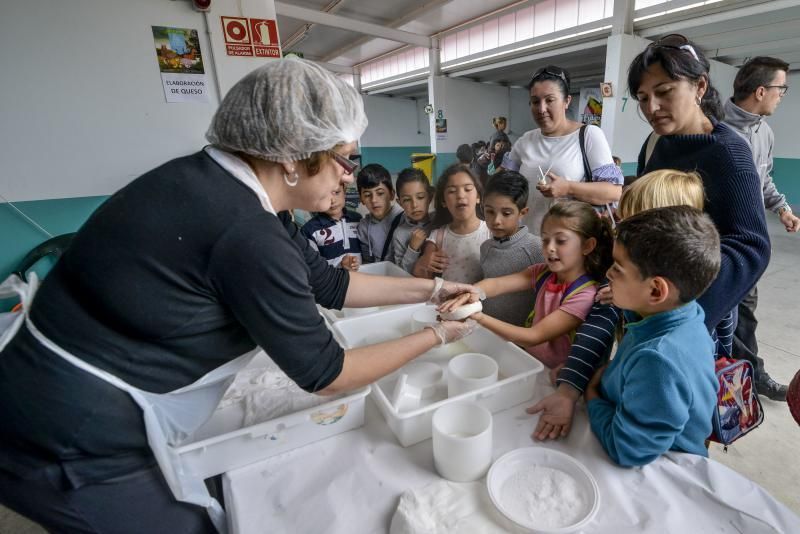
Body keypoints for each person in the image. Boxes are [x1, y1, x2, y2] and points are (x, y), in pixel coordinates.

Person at [0, 58, 479, 533]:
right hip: (68, 430)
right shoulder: (246, 231)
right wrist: (437, 334)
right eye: (343, 159)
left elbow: (331, 284)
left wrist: (433, 287)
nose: (349, 177)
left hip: (58, 384)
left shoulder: (231, 189)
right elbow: (328, 373)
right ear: (293, 154)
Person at [528, 169, 706, 441]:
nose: (618, 229)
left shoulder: (666, 334)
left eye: (632, 220)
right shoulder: (626, 280)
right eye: (621, 219)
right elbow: (595, 331)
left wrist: (590, 391)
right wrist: (578, 382)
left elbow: (634, 442)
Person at [629, 34, 771, 360]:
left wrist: (682, 310)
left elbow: (751, 248)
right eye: (642, 97)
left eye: (664, 92)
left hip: (691, 317)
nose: (652, 107)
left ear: (700, 86)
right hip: (648, 299)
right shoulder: (654, 145)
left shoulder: (728, 154)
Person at [586, 206, 721, 467]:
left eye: (618, 268)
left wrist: (591, 396)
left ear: (656, 291)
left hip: (663, 467)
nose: (607, 273)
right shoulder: (684, 311)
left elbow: (627, 450)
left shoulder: (659, 360)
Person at [443, 201, 613, 370]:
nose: (550, 248)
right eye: (545, 240)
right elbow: (497, 284)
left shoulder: (585, 295)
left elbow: (533, 336)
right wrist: (471, 292)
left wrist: (478, 317)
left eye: (560, 241)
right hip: (531, 363)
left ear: (588, 246)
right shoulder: (543, 273)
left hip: (557, 375)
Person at [723, 56, 797, 401]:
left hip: (749, 241)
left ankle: (750, 375)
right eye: (782, 88)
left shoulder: (763, 132)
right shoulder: (715, 128)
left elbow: (762, 178)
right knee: (719, 313)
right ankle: (722, 376)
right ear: (761, 90)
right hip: (717, 241)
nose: (783, 95)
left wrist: (782, 207)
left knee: (745, 312)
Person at [501, 65, 623, 234]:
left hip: (571, 245)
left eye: (550, 100)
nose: (541, 109)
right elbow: (503, 184)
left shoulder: (588, 135)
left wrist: (568, 188)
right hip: (527, 241)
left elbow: (613, 192)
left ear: (567, 101)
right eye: (535, 101)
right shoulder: (525, 140)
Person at [480, 171, 544, 326]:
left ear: (523, 212)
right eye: (489, 211)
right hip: (488, 329)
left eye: (506, 213)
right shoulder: (485, 247)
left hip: (522, 340)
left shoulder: (538, 249)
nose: (496, 221)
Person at [413, 164, 491, 283]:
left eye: (468, 189)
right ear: (443, 201)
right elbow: (422, 275)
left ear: (478, 197)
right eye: (452, 191)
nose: (460, 195)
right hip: (447, 300)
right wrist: (423, 262)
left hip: (480, 301)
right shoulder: (438, 236)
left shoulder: (491, 232)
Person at [301, 183, 362, 270]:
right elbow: (313, 268)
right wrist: (341, 266)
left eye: (337, 192)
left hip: (364, 279)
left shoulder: (358, 219)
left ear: (344, 191)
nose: (332, 200)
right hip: (334, 282)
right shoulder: (309, 230)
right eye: (324, 195)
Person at [356, 163, 404, 264]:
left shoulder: (404, 218)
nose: (374, 200)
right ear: (361, 199)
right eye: (368, 195)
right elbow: (368, 261)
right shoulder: (363, 227)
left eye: (380, 193)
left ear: (391, 194)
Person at [391, 167, 435, 274]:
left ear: (430, 197)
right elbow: (401, 273)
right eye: (407, 200)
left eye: (420, 197)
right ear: (399, 202)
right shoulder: (399, 234)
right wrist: (412, 249)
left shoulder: (439, 221)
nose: (414, 205)